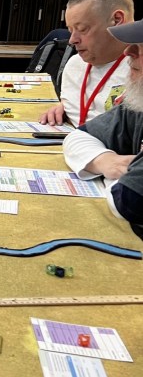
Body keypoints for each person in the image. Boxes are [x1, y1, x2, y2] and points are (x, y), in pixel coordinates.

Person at [63, 18, 143, 240]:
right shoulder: (138, 104)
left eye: (141, 46)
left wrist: (113, 178)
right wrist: (108, 162)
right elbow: (78, 137)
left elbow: (128, 202)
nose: (128, 51)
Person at [39, 0, 133, 126]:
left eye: (82, 29)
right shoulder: (74, 65)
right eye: (71, 30)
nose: (72, 40)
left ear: (117, 20)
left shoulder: (137, 69)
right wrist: (64, 113)